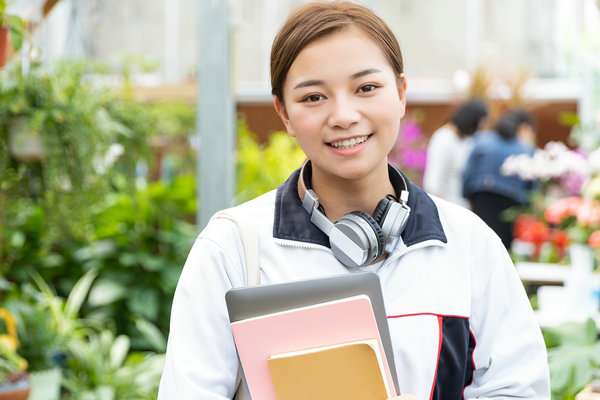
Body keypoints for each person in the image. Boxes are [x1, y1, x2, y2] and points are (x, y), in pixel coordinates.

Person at [158, 2, 550, 399]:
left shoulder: (467, 243)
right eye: (313, 97)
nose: (344, 115)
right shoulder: (233, 249)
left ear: (400, 94)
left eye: (366, 88)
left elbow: (518, 388)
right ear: (284, 114)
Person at [462, 109, 537, 249]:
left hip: (480, 198)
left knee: (479, 244)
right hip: (511, 203)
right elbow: (531, 188)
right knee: (502, 248)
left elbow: (467, 175)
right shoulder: (526, 148)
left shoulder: (480, 139)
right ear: (523, 127)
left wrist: (467, 194)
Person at [423, 99, 488, 208]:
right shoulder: (443, 138)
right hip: (446, 208)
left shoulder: (467, 141)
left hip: (462, 207)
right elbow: (433, 182)